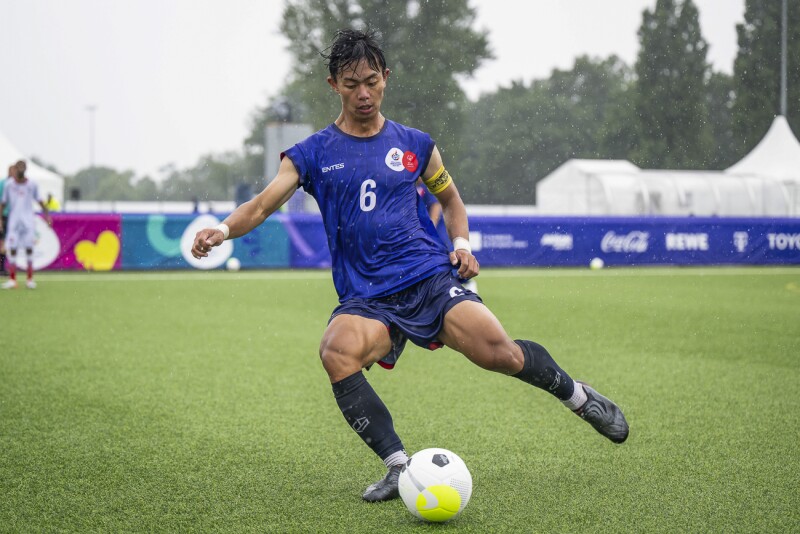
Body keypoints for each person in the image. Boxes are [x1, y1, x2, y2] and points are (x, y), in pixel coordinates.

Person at [191, 29, 628, 502]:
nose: (364, 93)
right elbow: (260, 205)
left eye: (372, 82)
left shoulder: (415, 144)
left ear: (386, 78)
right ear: (333, 85)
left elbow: (452, 200)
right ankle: (399, 467)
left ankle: (578, 397)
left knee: (497, 352)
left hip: (429, 279)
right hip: (367, 296)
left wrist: (461, 244)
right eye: (352, 84)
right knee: (336, 352)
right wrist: (223, 230)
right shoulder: (311, 153)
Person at [0, 160, 52, 289]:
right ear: (15, 169)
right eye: (19, 167)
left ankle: (30, 279)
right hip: (13, 222)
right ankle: (13, 280)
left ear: (25, 169)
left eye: (23, 167)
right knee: (12, 249)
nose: (21, 170)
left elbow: (40, 201)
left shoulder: (32, 185)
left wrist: (47, 216)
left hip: (28, 222)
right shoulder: (9, 185)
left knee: (29, 248)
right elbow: (3, 203)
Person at [0, 165, 11, 276]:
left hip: (8, 216)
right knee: (3, 242)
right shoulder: (4, 183)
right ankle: (2, 268)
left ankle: (2, 268)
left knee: (4, 242)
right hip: (3, 216)